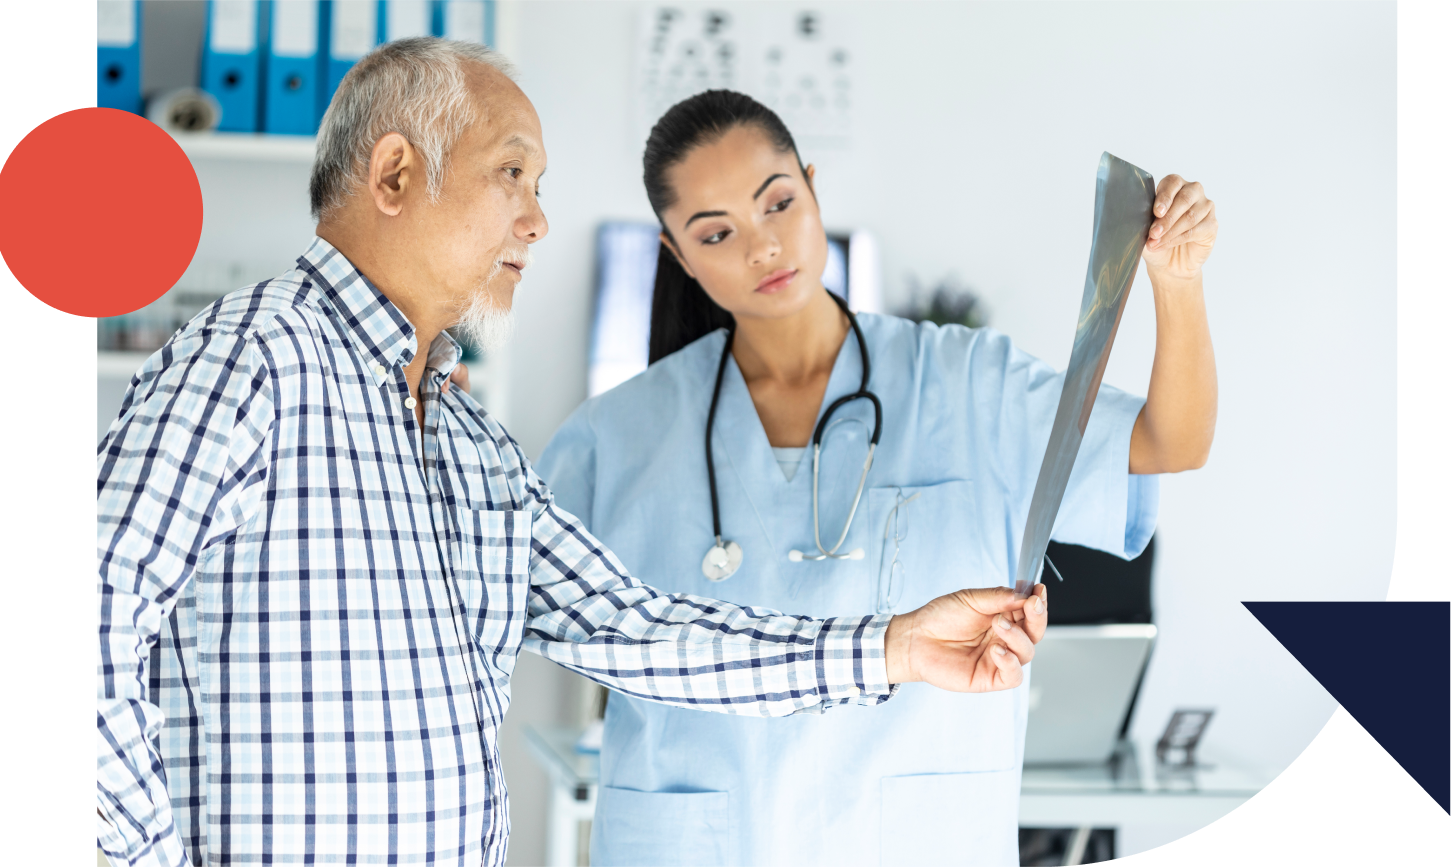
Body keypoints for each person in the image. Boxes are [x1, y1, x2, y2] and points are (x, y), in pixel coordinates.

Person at [95, 41, 1047, 867]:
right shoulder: (254, 359)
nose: (538, 220)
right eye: (512, 174)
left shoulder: (470, 446)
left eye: (539, 188)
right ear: (392, 176)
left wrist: (895, 646)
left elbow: (642, 630)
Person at [534, 90, 1218, 865]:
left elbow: (1171, 440)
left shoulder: (966, 383)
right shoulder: (612, 437)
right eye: (716, 232)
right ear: (677, 255)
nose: (761, 246)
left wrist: (1178, 282)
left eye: (778, 203)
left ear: (814, 187)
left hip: (915, 838)